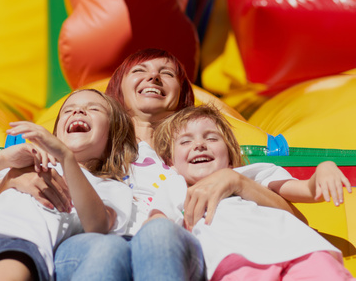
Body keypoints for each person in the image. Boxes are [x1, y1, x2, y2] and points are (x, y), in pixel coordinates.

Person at [0, 49, 302, 280]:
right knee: (103, 248)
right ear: (115, 93)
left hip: (180, 249)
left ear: (182, 94)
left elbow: (297, 220)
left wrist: (237, 182)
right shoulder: (86, 147)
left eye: (166, 73)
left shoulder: (202, 151)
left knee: (159, 234)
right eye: (140, 71)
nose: (153, 77)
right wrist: (16, 179)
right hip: (91, 247)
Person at [0, 89, 137, 280]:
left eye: (94, 109)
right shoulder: (26, 164)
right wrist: (3, 159)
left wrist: (67, 158)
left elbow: (97, 225)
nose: (78, 110)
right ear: (56, 133)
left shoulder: (109, 186)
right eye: (68, 109)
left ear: (114, 136)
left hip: (19, 244)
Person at [149, 104, 354, 280]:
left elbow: (306, 190)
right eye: (185, 142)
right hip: (235, 261)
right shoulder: (176, 187)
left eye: (211, 138)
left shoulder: (253, 172)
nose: (199, 144)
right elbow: (156, 227)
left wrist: (324, 169)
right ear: (171, 163)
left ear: (229, 155)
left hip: (300, 249)